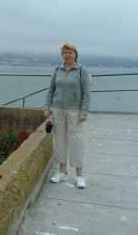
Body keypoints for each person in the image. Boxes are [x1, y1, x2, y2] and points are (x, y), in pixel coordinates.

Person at [44, 42, 91, 189]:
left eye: (70, 52)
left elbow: (86, 93)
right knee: (59, 141)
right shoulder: (58, 69)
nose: (67, 55)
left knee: (76, 141)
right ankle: (62, 172)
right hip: (57, 110)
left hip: (74, 111)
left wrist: (84, 111)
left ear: (75, 54)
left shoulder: (82, 70)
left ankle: (79, 175)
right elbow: (51, 90)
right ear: (62, 55)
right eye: (65, 53)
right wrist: (47, 107)